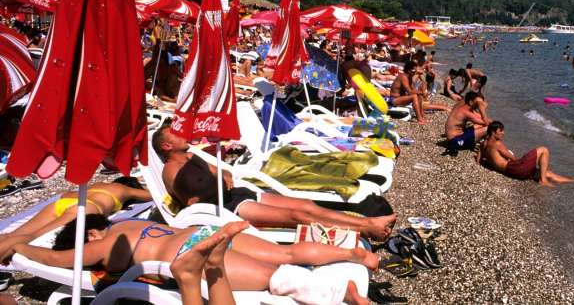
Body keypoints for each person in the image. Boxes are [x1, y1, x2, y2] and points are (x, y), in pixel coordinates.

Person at [6, 217, 373, 305]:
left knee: (277, 277)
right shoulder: (129, 222)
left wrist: (17, 246)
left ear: (89, 235)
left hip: (184, 255)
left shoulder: (103, 243)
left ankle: (344, 293)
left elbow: (58, 259)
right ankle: (352, 255)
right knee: (287, 254)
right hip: (199, 231)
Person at [154, 127, 396, 240]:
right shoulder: (171, 171)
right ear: (166, 146)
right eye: (174, 132)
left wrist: (222, 180)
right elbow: (192, 200)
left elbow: (225, 174)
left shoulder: (191, 156)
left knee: (306, 205)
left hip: (236, 194)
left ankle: (367, 221)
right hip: (224, 210)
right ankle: (364, 229)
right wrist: (220, 181)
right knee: (295, 217)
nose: (180, 131)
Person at [0, 177, 151, 258]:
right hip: (87, 207)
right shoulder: (123, 189)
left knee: (14, 234)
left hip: (64, 202)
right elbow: (151, 195)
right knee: (31, 237)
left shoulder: (98, 183)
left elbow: (66, 194)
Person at [476, 122, 574, 187]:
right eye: (500, 131)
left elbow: (479, 160)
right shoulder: (497, 144)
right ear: (493, 132)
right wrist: (522, 161)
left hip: (510, 172)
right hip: (515, 169)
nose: (503, 133)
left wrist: (492, 163)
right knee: (544, 150)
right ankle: (543, 181)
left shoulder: (483, 144)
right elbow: (513, 159)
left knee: (545, 172)